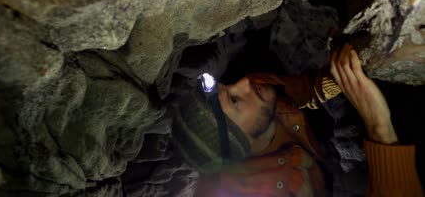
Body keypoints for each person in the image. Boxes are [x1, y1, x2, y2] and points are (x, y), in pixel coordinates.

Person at [171, 44, 424, 196]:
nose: (245, 82)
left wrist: (345, 75)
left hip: (320, 160)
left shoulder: (260, 96)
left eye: (227, 87)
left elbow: (304, 90)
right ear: (242, 143)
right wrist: (379, 127)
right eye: (235, 100)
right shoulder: (272, 189)